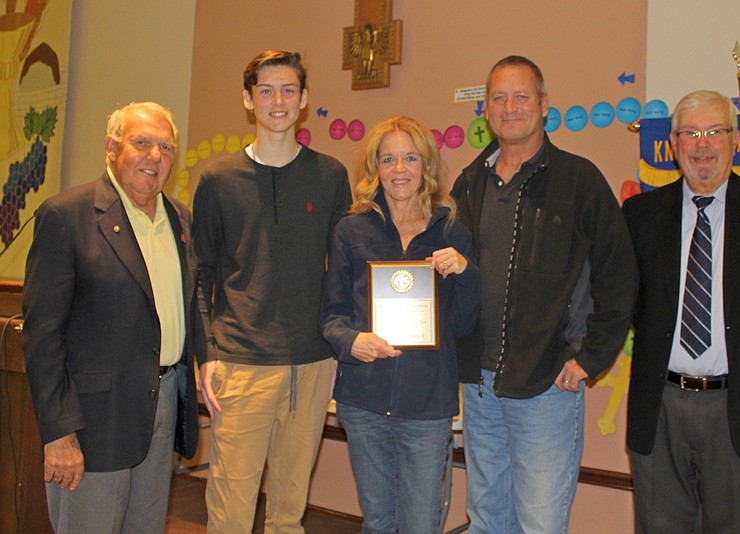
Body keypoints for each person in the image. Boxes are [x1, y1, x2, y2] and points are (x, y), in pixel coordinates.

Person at [451, 55, 638, 533]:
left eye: (521, 97)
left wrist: (589, 358)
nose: (509, 107)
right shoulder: (468, 184)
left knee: (539, 521)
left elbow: (620, 276)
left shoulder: (579, 180)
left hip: (548, 384)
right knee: (487, 516)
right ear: (486, 111)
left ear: (544, 105)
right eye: (498, 98)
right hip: (478, 385)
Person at [623, 90, 740, 533]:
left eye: (715, 132)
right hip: (660, 406)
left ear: (736, 139)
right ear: (673, 144)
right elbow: (629, 302)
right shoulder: (641, 215)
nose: (702, 144)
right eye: (690, 133)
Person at [21, 101, 201, 533]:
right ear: (111, 147)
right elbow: (43, 338)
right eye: (142, 143)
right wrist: (59, 433)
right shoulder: (67, 216)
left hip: (162, 406)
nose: (155, 157)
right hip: (93, 424)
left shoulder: (180, 219)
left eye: (166, 147)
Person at [193, 50, 352, 534]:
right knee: (231, 512)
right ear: (248, 99)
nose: (277, 100)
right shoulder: (217, 180)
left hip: (311, 363)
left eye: (288, 90)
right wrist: (207, 354)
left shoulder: (330, 176)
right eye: (266, 90)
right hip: (240, 363)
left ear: (303, 100)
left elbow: (344, 271)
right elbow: (202, 274)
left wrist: (341, 349)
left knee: (289, 512)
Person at [320, 115, 481, 534]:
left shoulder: (452, 233)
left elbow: (463, 324)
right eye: (388, 159)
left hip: (427, 407)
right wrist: (351, 341)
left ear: (426, 165)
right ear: (374, 168)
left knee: (420, 524)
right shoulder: (349, 230)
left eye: (410, 158)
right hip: (363, 401)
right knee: (378, 521)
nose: (399, 169)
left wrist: (464, 272)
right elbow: (330, 313)